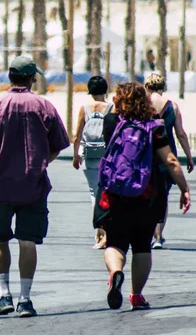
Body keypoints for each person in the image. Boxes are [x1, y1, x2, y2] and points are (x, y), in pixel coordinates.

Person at [0, 55, 69, 318]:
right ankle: (25, 299)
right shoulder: (44, 106)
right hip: (33, 186)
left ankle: (4, 295)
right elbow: (58, 146)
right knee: (27, 241)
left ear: (10, 76)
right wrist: (40, 162)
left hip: (1, 185)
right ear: (31, 78)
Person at [99, 83, 191, 311]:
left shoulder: (111, 122)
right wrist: (184, 188)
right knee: (142, 246)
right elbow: (170, 160)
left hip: (115, 192)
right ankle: (137, 295)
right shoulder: (155, 127)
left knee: (115, 242)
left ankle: (116, 272)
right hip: (147, 194)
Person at [144, 74, 194, 249]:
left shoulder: (143, 104)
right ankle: (158, 235)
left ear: (147, 87)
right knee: (162, 195)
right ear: (163, 87)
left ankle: (146, 232)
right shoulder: (173, 106)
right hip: (167, 154)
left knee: (146, 193)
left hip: (146, 154)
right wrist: (188, 156)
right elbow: (180, 133)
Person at [72, 76, 113, 249]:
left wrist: (76, 156)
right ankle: (106, 231)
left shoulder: (84, 108)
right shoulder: (111, 107)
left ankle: (99, 230)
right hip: (108, 157)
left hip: (90, 155)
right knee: (107, 192)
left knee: (93, 193)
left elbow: (77, 135)